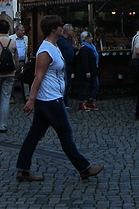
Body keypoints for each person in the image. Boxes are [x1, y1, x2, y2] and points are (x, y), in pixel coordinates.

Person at [16, 15, 104, 182]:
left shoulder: (54, 46)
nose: (62, 27)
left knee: (34, 135)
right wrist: (31, 100)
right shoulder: (45, 50)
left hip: (51, 97)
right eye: (59, 25)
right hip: (49, 99)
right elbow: (38, 76)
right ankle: (84, 168)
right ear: (53, 29)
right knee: (66, 133)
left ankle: (23, 169)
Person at [75, 31, 100, 112]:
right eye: (90, 37)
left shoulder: (92, 47)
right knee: (84, 86)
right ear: (85, 39)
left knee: (95, 85)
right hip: (87, 71)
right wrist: (87, 71)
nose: (91, 39)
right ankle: (81, 103)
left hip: (93, 70)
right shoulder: (84, 48)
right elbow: (84, 61)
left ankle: (91, 101)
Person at [9, 22, 30, 102]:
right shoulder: (11, 38)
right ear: (17, 31)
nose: (23, 32)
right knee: (12, 79)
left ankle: (26, 96)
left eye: (23, 30)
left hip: (24, 61)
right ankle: (11, 96)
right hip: (14, 61)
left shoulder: (26, 38)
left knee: (25, 79)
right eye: (21, 30)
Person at [58, 24, 76, 107]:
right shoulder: (60, 40)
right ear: (67, 31)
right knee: (65, 83)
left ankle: (65, 100)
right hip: (64, 65)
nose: (72, 32)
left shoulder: (69, 40)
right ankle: (63, 101)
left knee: (68, 83)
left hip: (70, 64)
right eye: (71, 30)